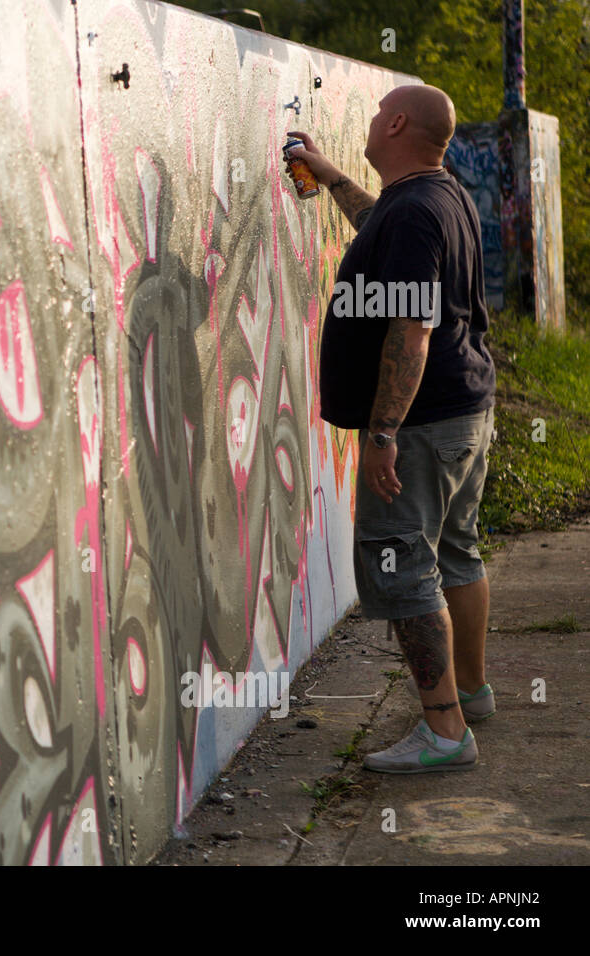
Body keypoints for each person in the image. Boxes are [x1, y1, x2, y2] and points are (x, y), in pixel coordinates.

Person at [286, 83, 497, 773]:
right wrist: (333, 174)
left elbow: (412, 326)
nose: (371, 121)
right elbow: (378, 225)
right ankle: (469, 691)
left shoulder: (414, 214)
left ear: (398, 122)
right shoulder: (436, 196)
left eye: (378, 114)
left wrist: (381, 435)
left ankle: (444, 731)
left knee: (402, 565)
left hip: (421, 429)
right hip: (464, 411)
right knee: (458, 553)